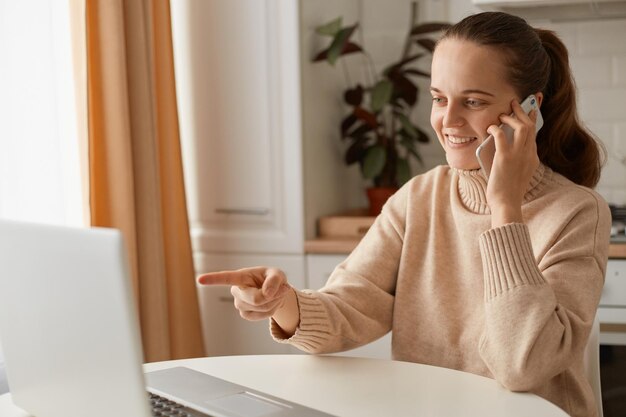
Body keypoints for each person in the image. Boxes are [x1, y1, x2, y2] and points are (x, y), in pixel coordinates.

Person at [198, 11, 611, 417]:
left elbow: (523, 366)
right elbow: (350, 307)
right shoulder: (419, 197)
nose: (448, 120)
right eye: (438, 99)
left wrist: (505, 206)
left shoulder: (578, 213)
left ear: (529, 109)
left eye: (472, 101)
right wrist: (280, 302)